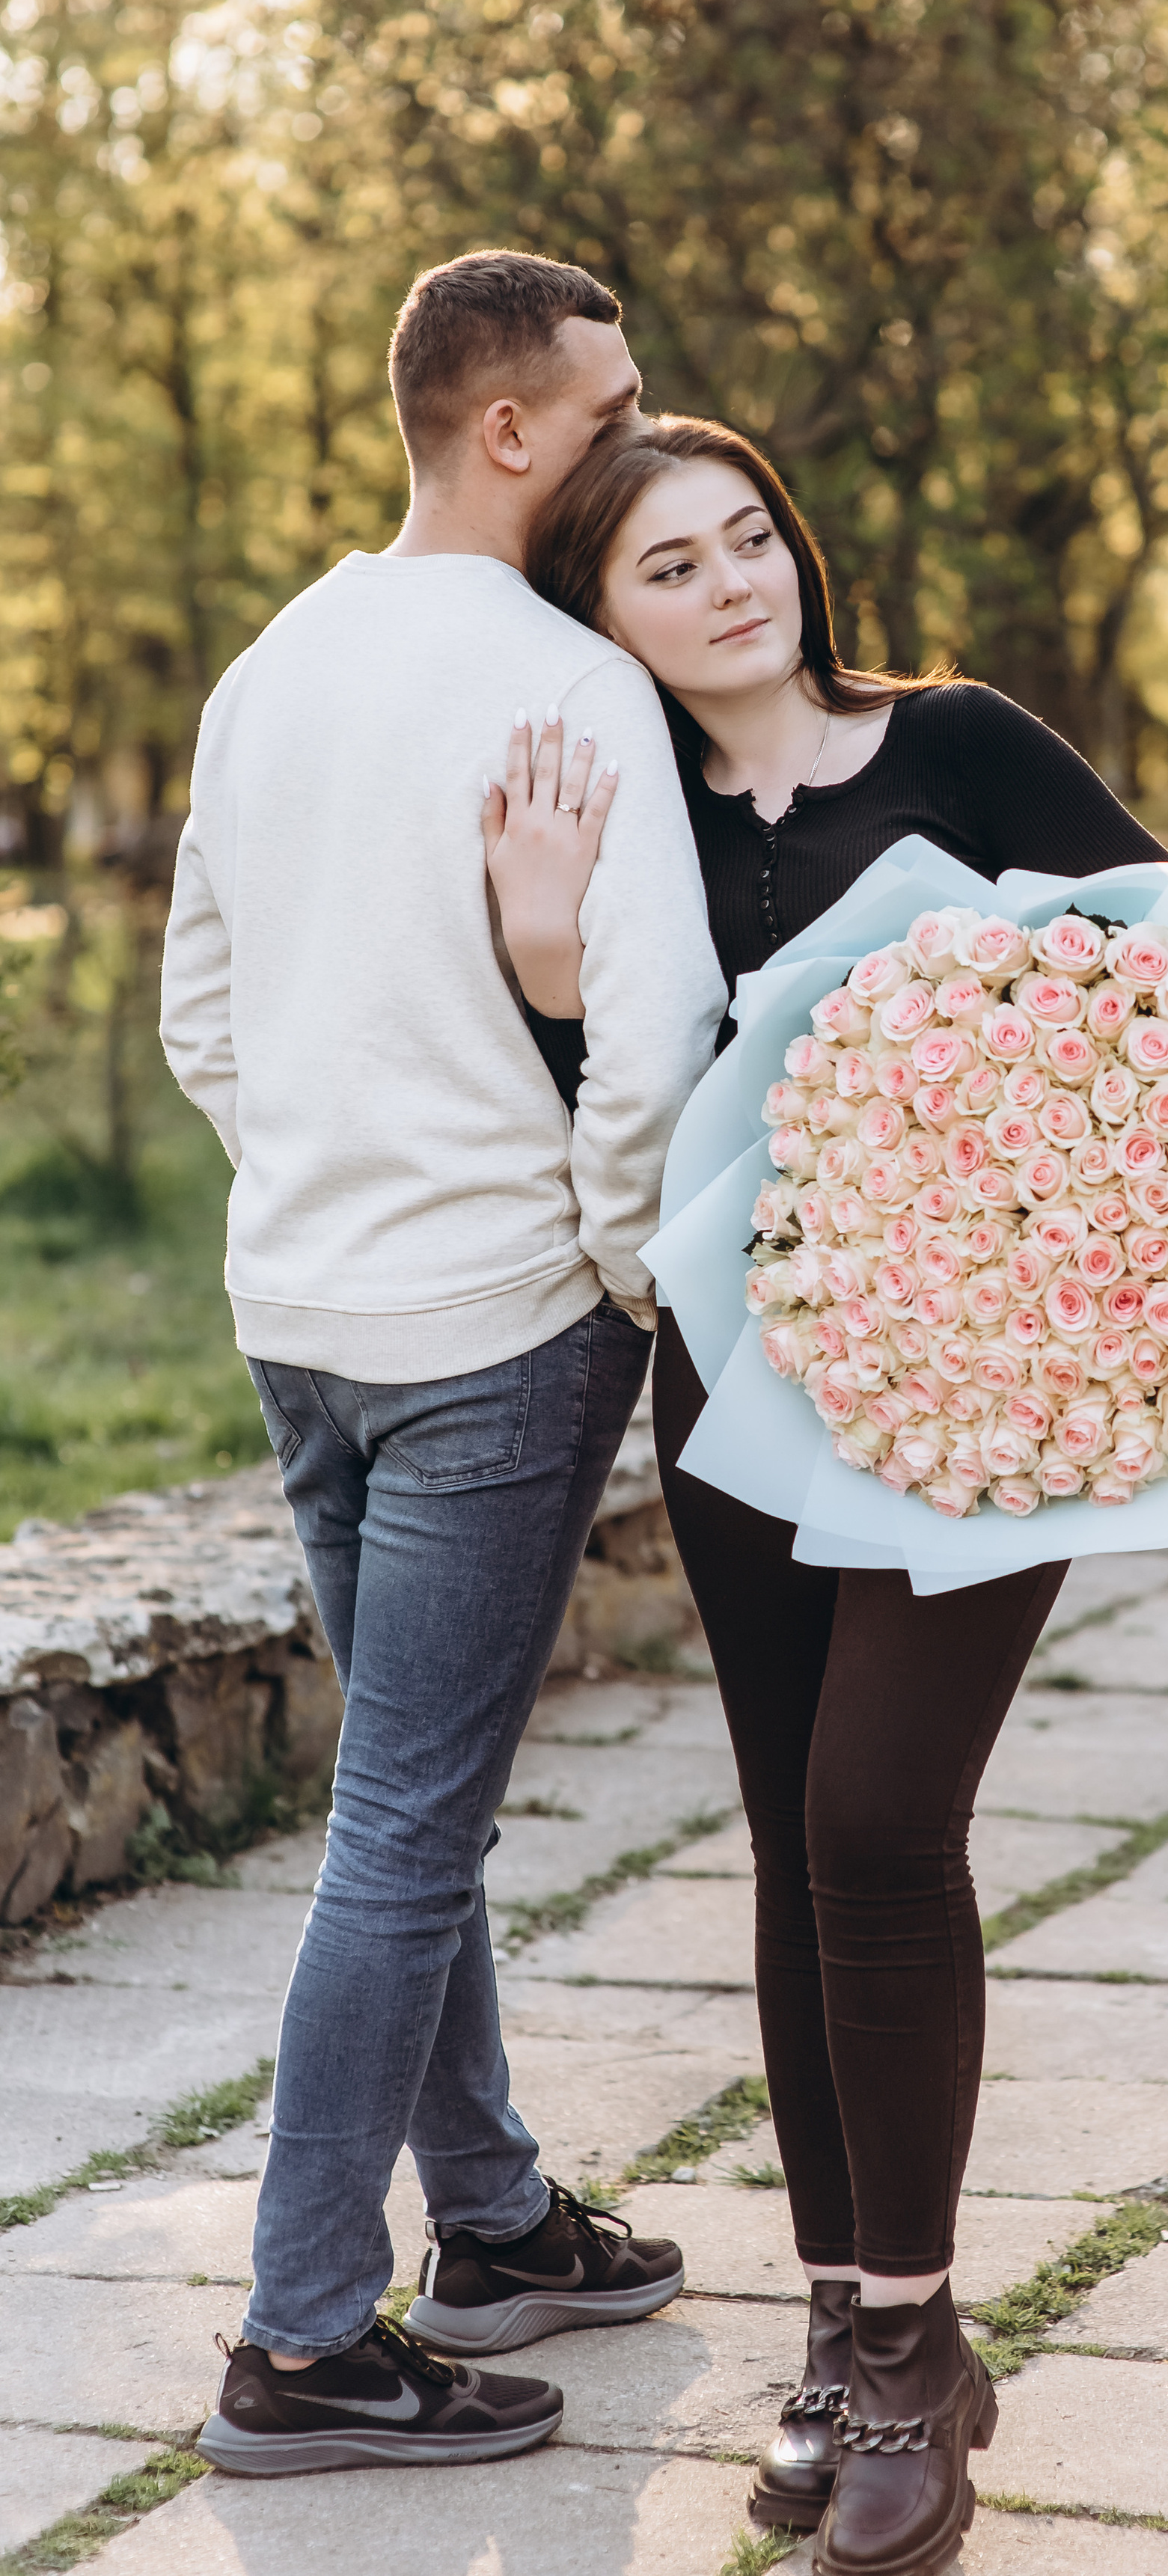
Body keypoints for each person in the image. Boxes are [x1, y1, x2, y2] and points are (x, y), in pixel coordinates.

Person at [481, 414, 1166, 2576]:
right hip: (741, 1379)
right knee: (792, 1836)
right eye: (667, 567)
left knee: (883, 1820)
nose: (730, 583)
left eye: (747, 536)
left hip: (988, 1386)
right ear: (604, 619)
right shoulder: (639, 822)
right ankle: (856, 2320)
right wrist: (550, 965)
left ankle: (914, 2343)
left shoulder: (957, 745)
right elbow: (599, 1124)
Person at [159, 256, 727, 2476]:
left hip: (297, 1305)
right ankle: (305, 2338)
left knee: (418, 1800)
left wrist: (320, 1162)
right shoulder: (579, 685)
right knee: (406, 1828)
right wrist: (603, 1264)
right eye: (619, 401)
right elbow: (652, 1046)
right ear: (512, 429)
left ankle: (485, 2217)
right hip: (496, 1322)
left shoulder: (273, 662)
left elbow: (205, 1008)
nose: (642, 428)